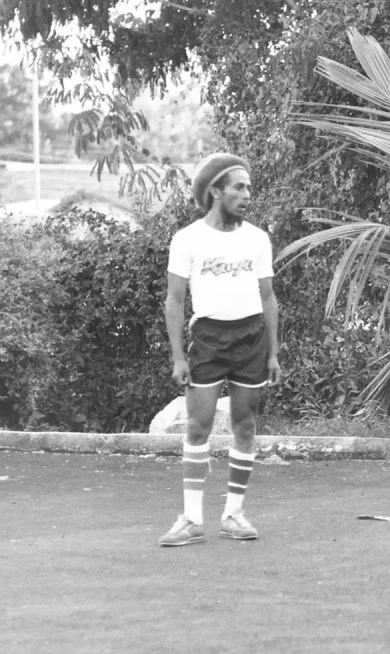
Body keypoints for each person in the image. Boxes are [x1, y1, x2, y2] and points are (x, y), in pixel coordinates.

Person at [158, 152, 281, 547]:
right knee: (198, 426)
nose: (247, 195)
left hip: (250, 338)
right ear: (215, 191)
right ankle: (192, 520)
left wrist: (273, 352)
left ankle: (233, 515)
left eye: (249, 188)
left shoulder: (257, 238)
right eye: (238, 188)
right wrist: (179, 356)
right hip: (208, 339)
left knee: (245, 425)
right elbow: (175, 300)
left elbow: (268, 297)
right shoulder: (188, 239)